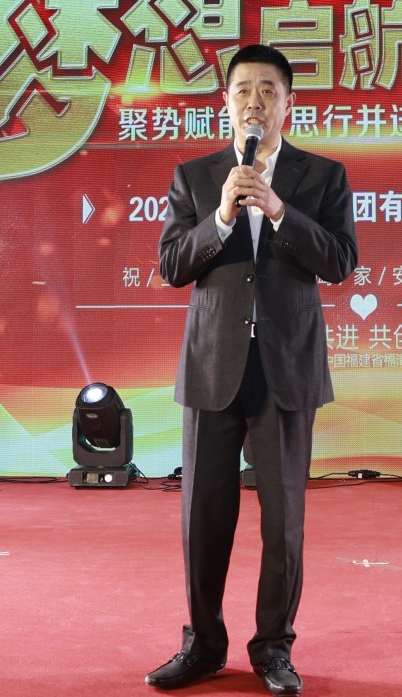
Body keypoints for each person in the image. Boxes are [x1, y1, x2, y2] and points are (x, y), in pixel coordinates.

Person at [148, 44, 358, 695]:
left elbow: (340, 261)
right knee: (203, 517)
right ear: (225, 102)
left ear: (289, 103)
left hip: (285, 367)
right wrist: (221, 218)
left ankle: (273, 648)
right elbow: (172, 265)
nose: (254, 102)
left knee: (283, 522)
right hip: (214, 366)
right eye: (243, 90)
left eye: (268, 90)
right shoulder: (196, 176)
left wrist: (278, 209)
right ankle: (203, 646)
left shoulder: (322, 177)